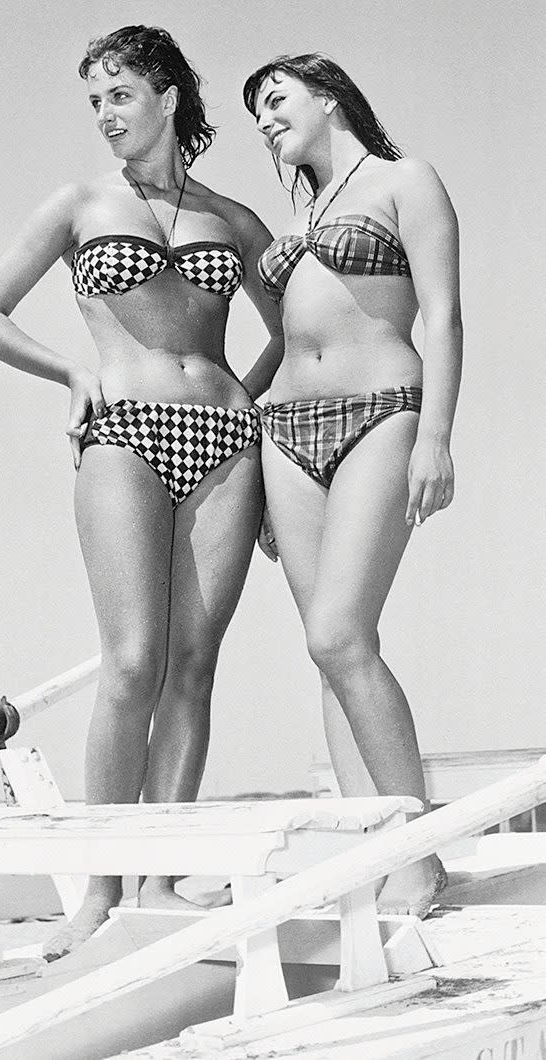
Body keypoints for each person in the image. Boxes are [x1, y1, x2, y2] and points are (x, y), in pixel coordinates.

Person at [0, 24, 282, 959]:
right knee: (132, 662)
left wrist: (250, 407)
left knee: (194, 667)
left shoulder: (235, 218)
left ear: (167, 97)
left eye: (119, 96)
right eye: (93, 101)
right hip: (124, 433)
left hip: (226, 440)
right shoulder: (78, 202)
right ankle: (98, 889)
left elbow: (295, 332)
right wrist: (69, 373)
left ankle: (159, 879)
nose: (104, 116)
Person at [243, 53, 462, 916]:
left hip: (383, 412)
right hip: (284, 432)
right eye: (255, 111)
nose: (264, 118)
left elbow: (442, 313)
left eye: (276, 99)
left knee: (339, 635)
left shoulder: (406, 180)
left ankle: (419, 854)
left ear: (327, 96)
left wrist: (435, 437)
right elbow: (280, 339)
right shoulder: (298, 212)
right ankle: (369, 853)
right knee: (327, 655)